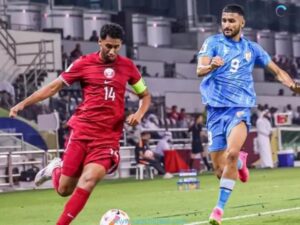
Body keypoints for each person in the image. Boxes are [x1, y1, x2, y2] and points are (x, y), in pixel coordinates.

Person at [9, 23, 151, 225]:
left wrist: (139, 113)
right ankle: (55, 168)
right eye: (108, 46)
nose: (112, 51)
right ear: (100, 41)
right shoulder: (83, 64)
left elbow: (144, 95)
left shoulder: (127, 66)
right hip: (82, 131)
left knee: (89, 180)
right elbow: (53, 87)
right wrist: (23, 103)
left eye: (116, 47)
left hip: (107, 138)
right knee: (64, 190)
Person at [196, 4, 300, 225]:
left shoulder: (252, 49)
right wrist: (211, 66)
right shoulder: (212, 43)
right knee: (219, 169)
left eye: (231, 21)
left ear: (242, 23)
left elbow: (277, 71)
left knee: (232, 153)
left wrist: (292, 84)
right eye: (224, 20)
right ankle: (241, 165)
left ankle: (218, 210)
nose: (226, 25)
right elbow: (199, 69)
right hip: (215, 112)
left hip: (240, 109)